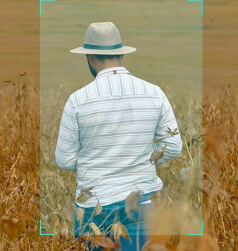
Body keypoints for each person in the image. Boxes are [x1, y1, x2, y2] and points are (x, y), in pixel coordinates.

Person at [55, 22, 182, 250]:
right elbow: (173, 146)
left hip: (95, 210)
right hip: (145, 202)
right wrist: (140, 159)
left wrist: (98, 162)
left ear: (90, 57)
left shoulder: (77, 101)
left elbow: (64, 159)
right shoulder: (154, 93)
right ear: (121, 54)